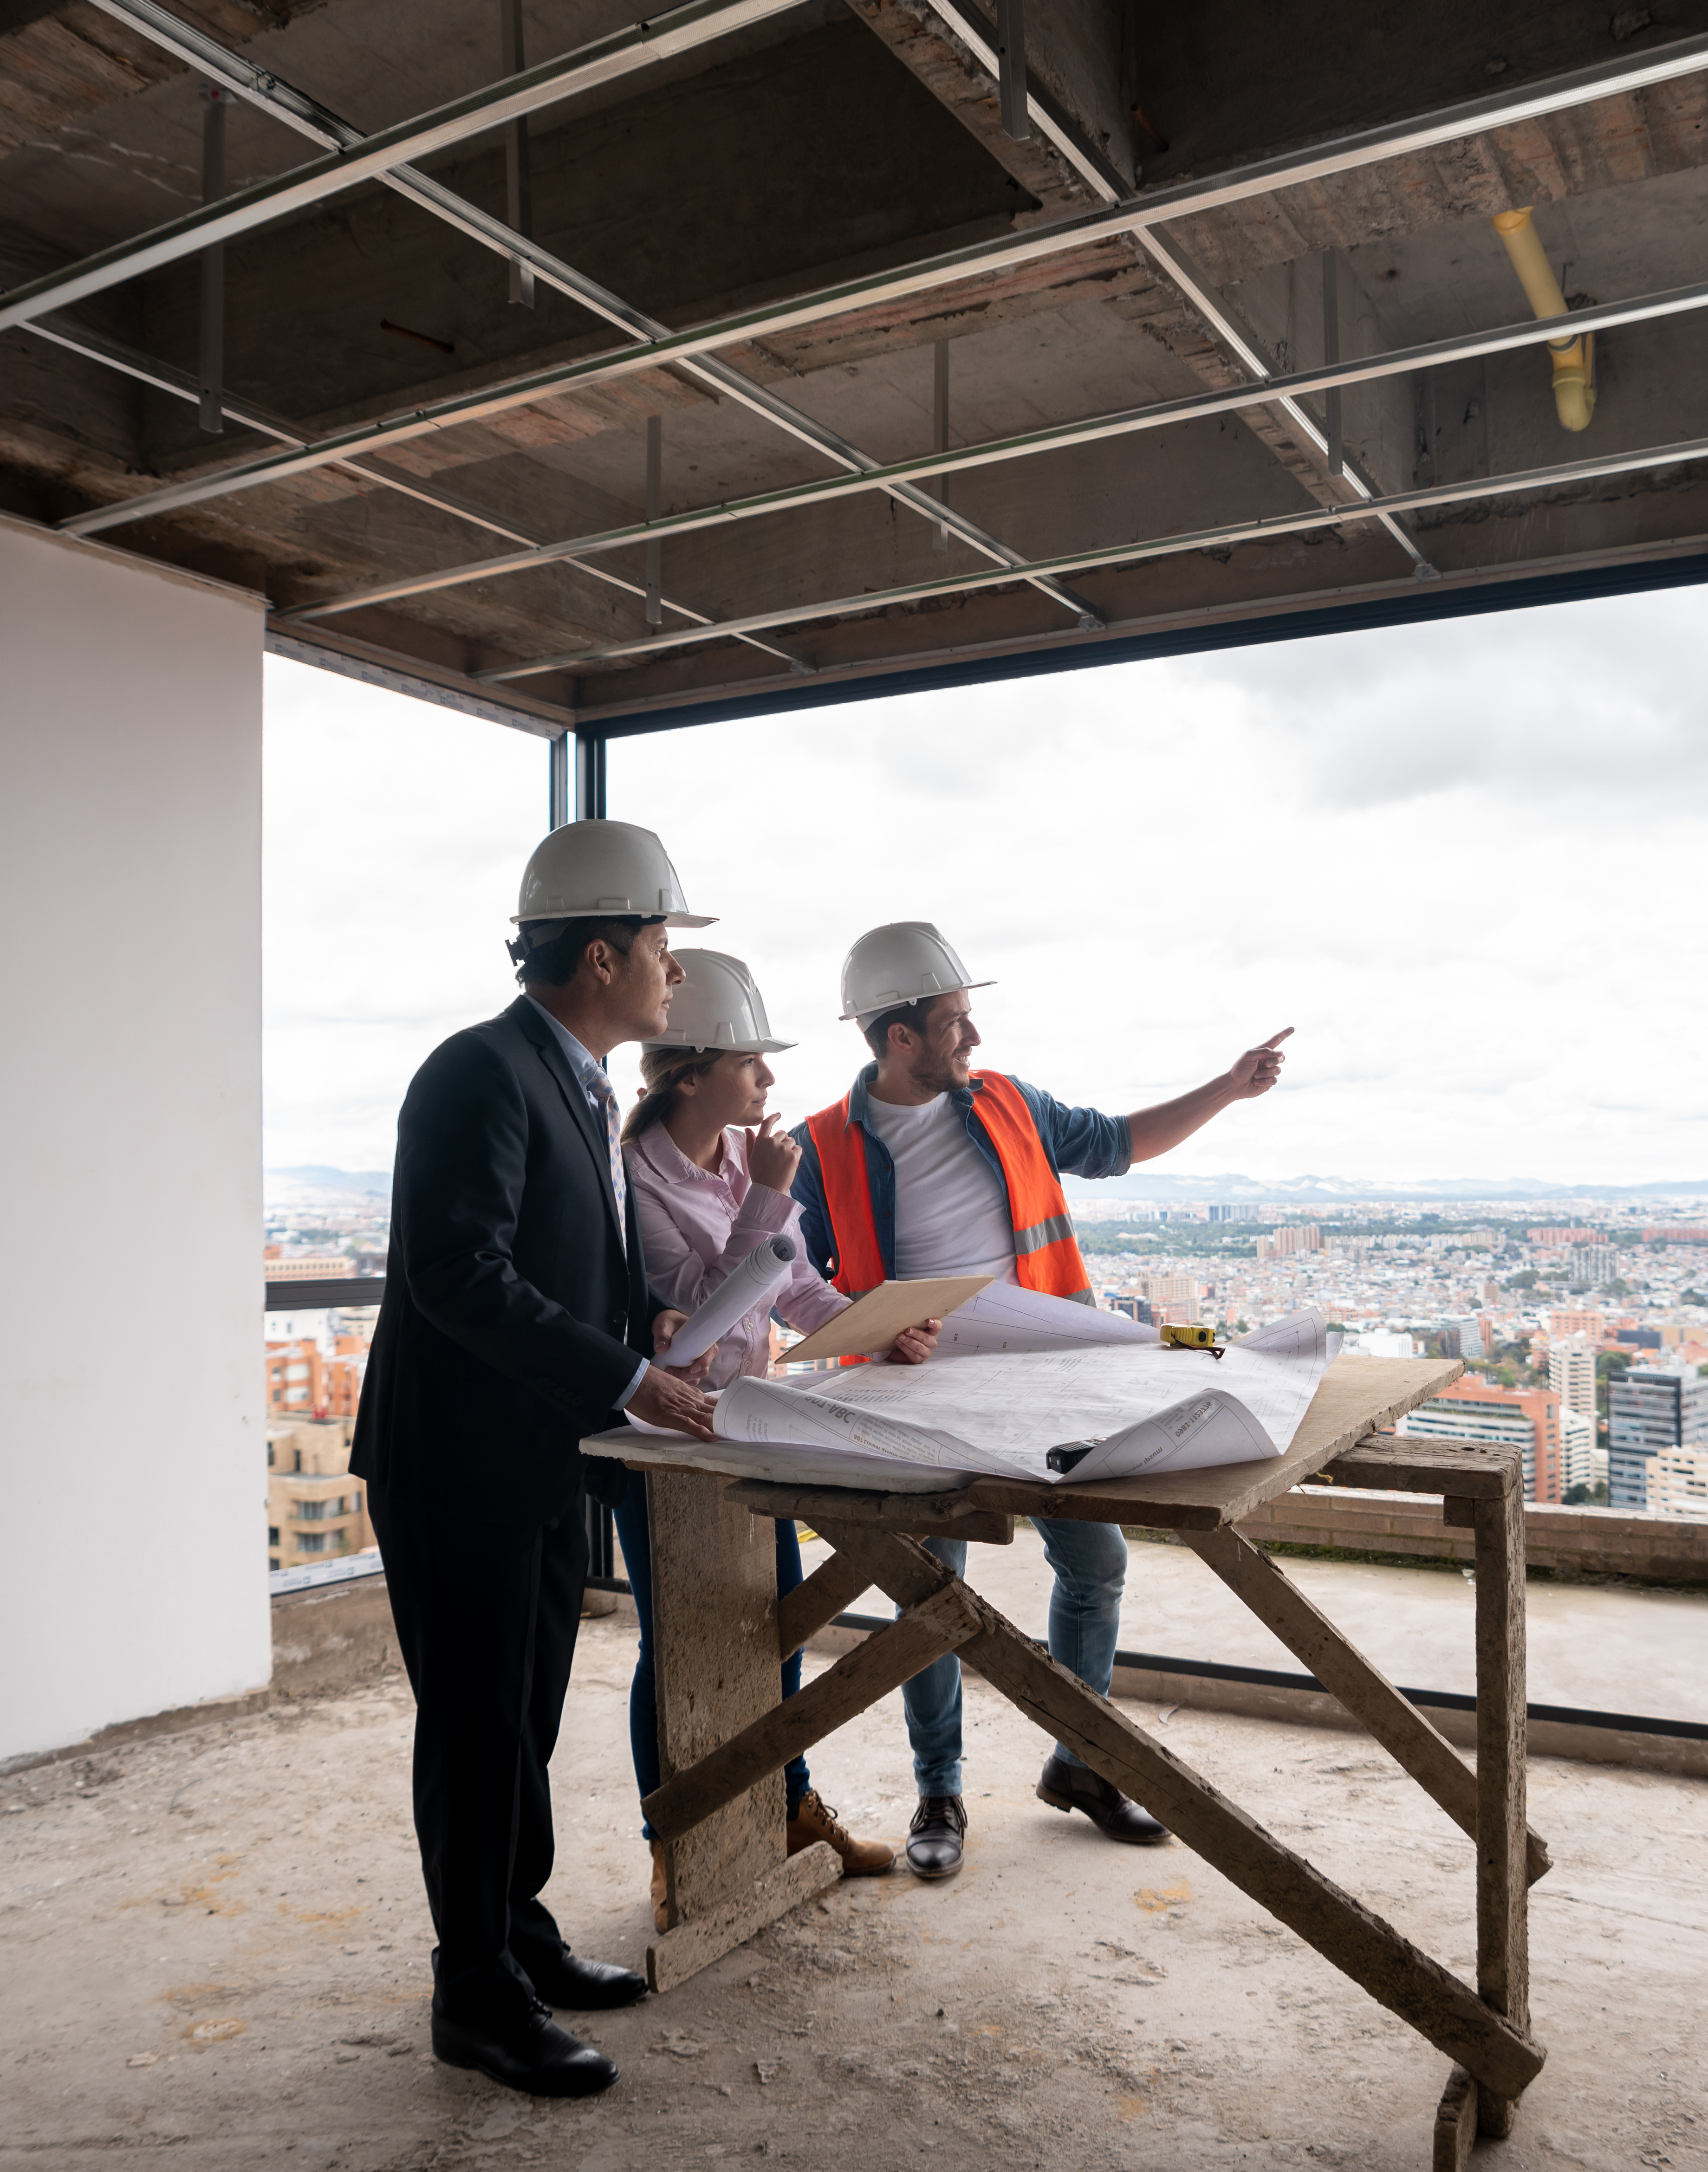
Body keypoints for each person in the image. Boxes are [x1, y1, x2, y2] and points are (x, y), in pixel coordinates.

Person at [791, 920, 1291, 1881]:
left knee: (1094, 1563)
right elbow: (796, 1284)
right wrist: (871, 1324)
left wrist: (1228, 1088)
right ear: (899, 1038)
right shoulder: (820, 1147)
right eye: (953, 1022)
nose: (972, 1039)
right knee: (926, 1596)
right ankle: (939, 1788)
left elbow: (1117, 1144)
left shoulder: (1010, 1104)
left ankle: (1081, 1763)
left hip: (1051, 1376)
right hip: (914, 1397)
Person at [350, 819, 722, 2101]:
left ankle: (515, 1933)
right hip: (456, 1461)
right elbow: (458, 1274)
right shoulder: (479, 1071)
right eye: (667, 947)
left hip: (537, 1452)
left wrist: (640, 1327)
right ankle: (474, 1998)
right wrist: (627, 1377)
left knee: (525, 1714)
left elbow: (555, 1264)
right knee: (475, 1723)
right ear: (606, 954)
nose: (678, 973)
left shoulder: (575, 1081)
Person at [615, 947, 920, 1904]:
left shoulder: (754, 1157)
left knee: (774, 1630)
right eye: (754, 1063)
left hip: (752, 1423)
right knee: (676, 1646)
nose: (771, 1080)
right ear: (692, 1072)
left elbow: (792, 1288)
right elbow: (693, 1311)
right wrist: (762, 1200)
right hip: (667, 1436)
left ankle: (789, 1808)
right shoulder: (637, 1179)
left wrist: (874, 1328)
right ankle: (673, 1840)